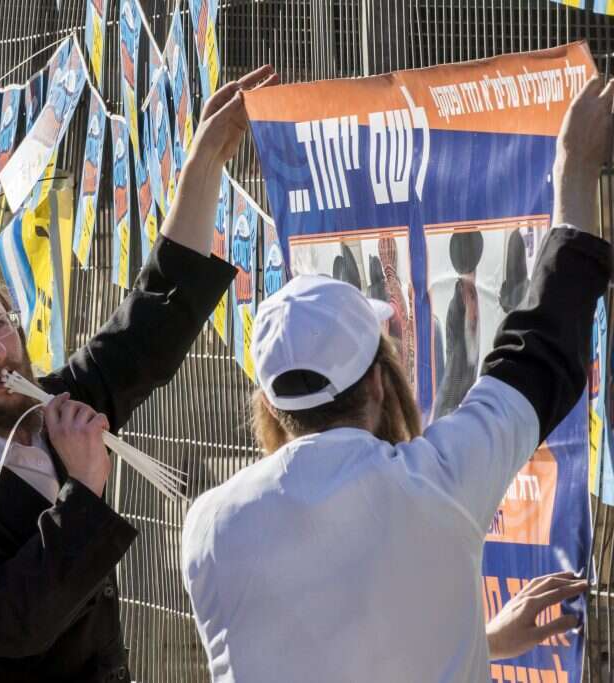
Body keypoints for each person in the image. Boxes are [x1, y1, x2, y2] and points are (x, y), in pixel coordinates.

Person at [180, 77, 613, 681]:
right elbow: (540, 351)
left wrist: (480, 641)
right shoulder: (436, 482)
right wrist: (573, 170)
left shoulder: (209, 527)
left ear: (273, 408)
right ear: (381, 383)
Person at [0, 66, 278, 682]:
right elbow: (15, 625)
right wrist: (83, 491)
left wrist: (204, 163)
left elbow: (153, 317)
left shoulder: (61, 405)